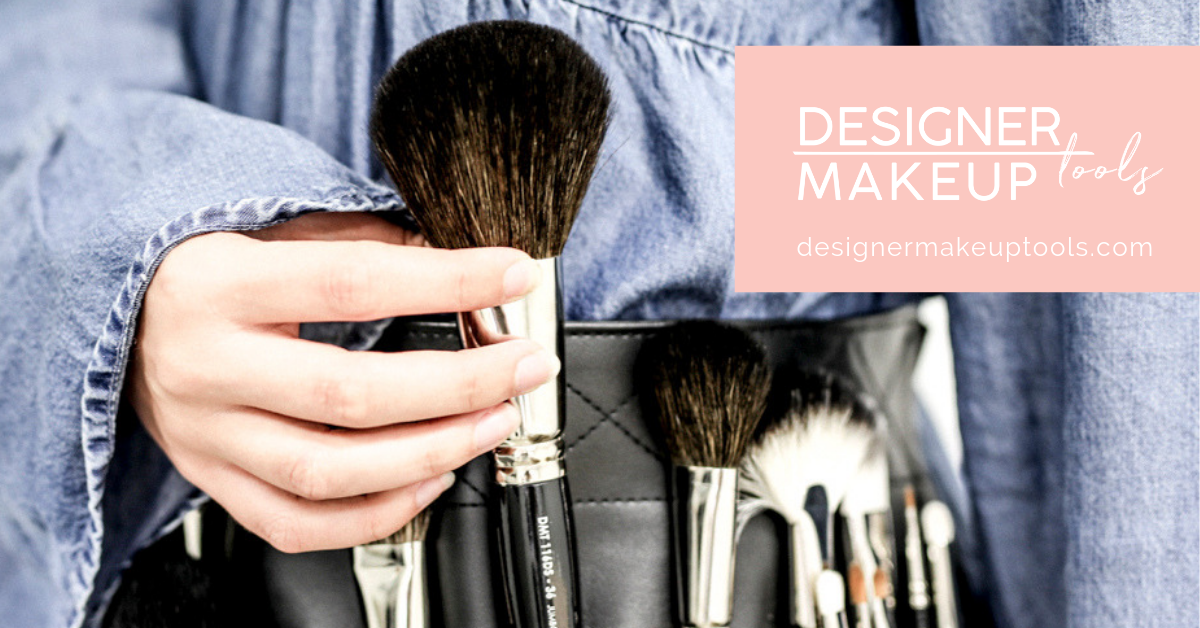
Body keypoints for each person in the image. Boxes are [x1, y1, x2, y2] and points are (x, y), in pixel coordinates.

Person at [0, 2, 1195, 628]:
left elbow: (1116, 161)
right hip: (204, 548)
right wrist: (127, 237)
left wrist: (717, 164)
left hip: (782, 522)